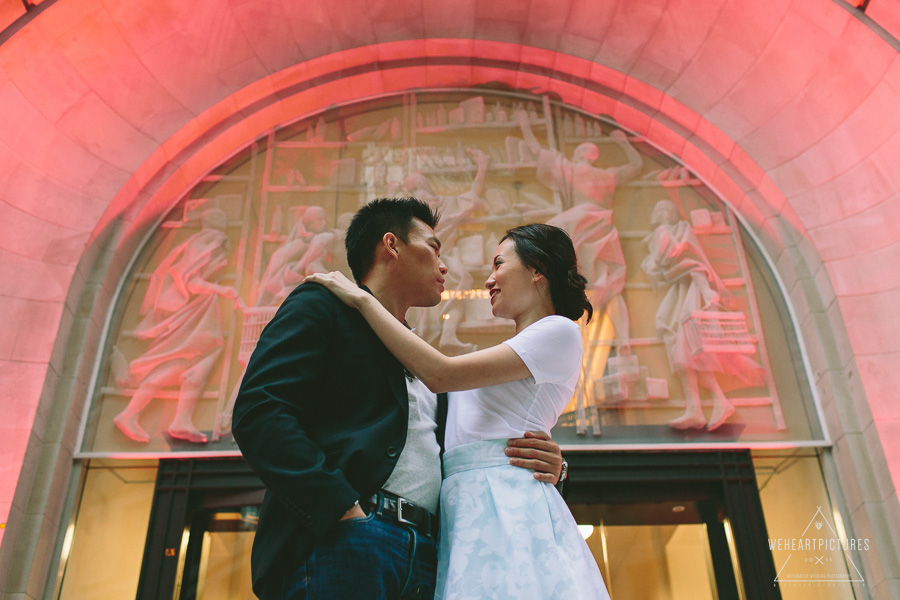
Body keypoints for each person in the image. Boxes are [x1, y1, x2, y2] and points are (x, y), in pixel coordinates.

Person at [231, 198, 565, 600]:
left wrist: (555, 466)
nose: (444, 266)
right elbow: (259, 412)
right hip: (349, 537)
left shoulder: (419, 355)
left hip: (428, 554)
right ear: (391, 245)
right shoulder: (322, 306)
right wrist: (342, 509)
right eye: (434, 248)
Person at [307, 223, 609, 599]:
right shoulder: (517, 351)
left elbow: (440, 374)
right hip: (466, 504)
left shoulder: (559, 331)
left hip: (504, 499)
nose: (489, 280)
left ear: (537, 269)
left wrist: (364, 300)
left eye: (499, 264)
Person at [114, 207, 237, 444]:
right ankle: (148, 415)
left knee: (188, 364)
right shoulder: (210, 239)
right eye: (220, 214)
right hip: (192, 315)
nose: (225, 218)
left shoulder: (203, 241)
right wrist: (220, 289)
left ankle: (167, 417)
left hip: (198, 313)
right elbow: (189, 280)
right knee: (191, 359)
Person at [641, 199, 764, 431]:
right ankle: (708, 405)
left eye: (661, 209)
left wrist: (707, 292)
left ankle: (705, 406)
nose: (657, 214)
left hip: (690, 297)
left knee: (685, 353)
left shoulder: (667, 233)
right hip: (681, 294)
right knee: (687, 354)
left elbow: (683, 261)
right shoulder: (672, 236)